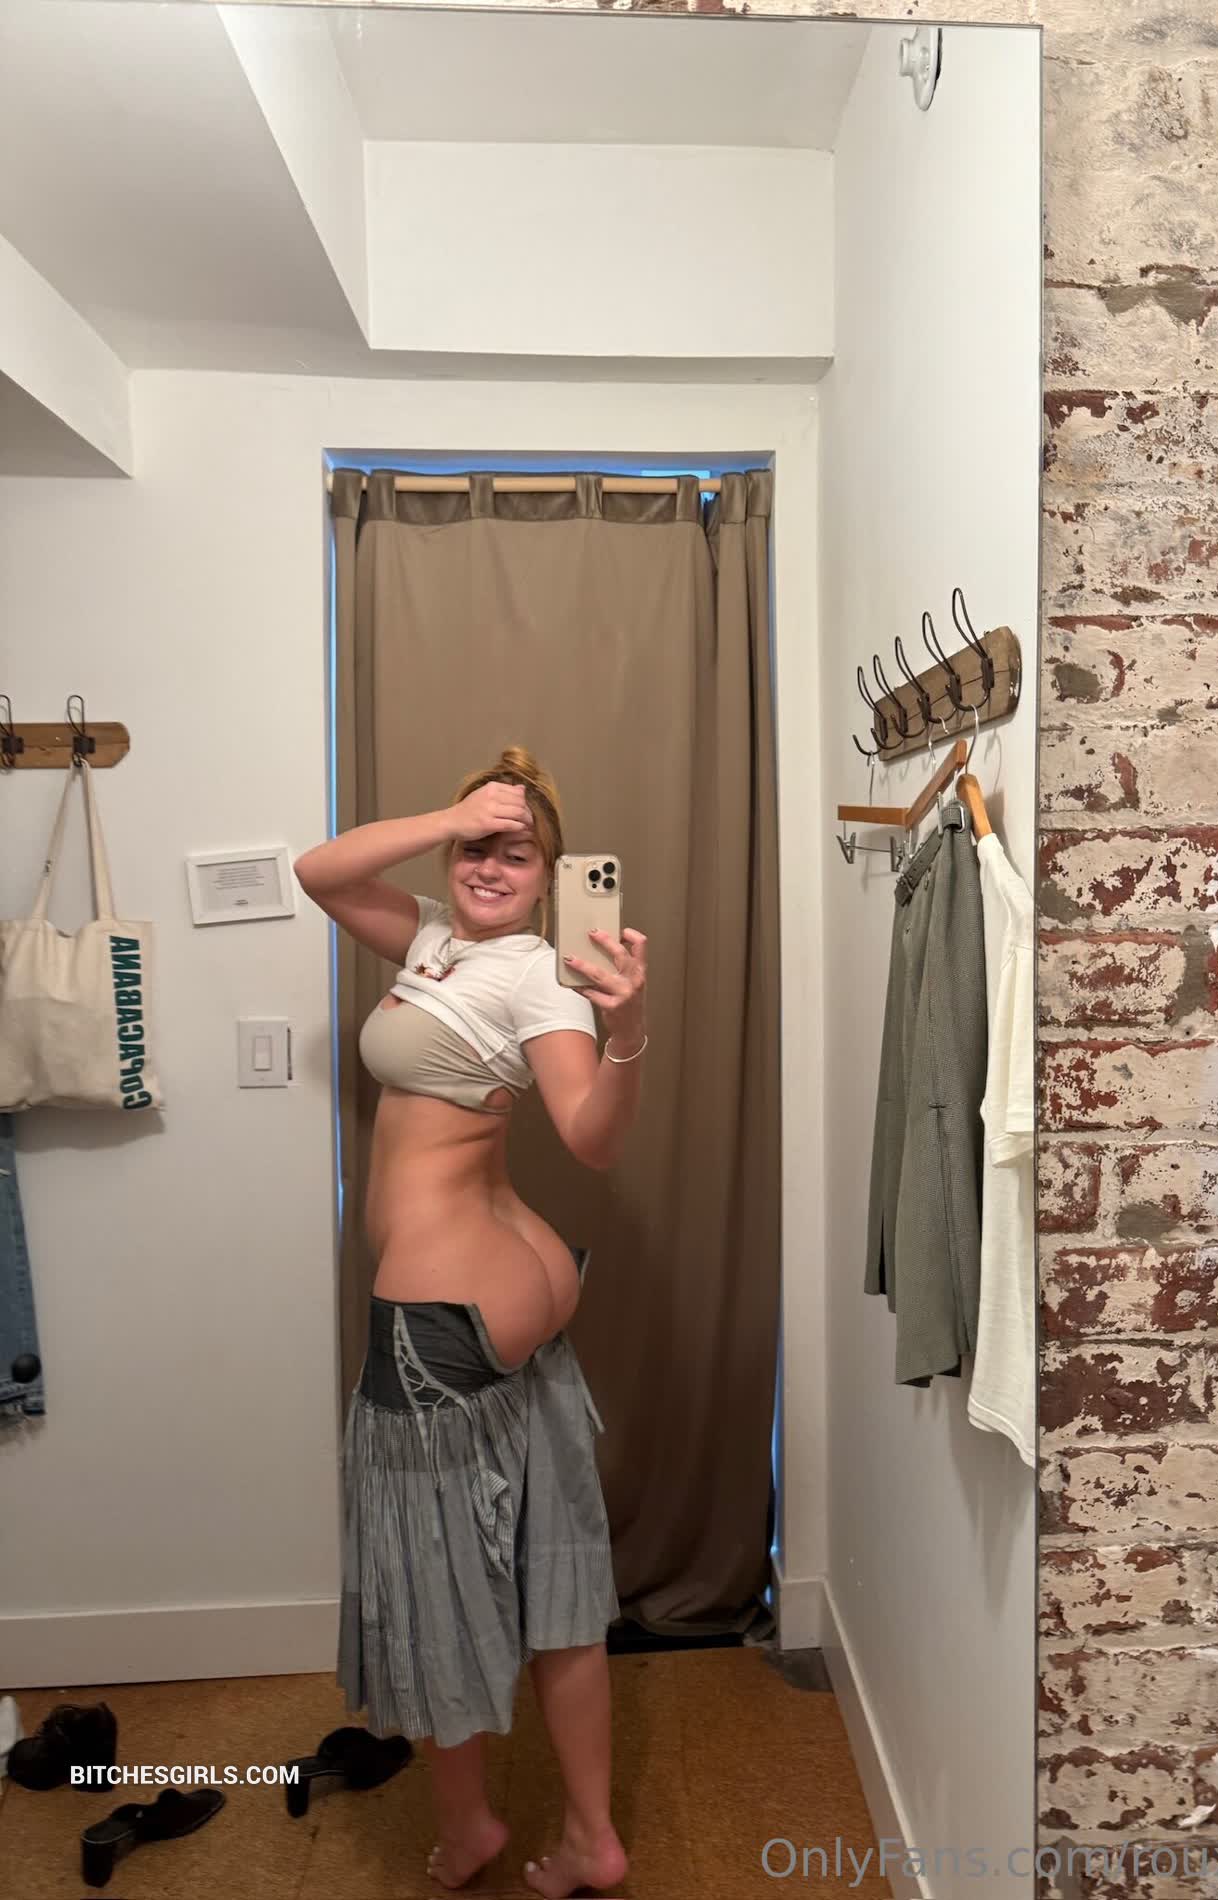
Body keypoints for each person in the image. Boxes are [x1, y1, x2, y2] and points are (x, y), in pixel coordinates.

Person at [294, 745, 647, 1899]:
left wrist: (627, 1033)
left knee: (430, 1585)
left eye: (518, 852)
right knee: (553, 1574)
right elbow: (320, 870)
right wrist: (450, 817)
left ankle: (469, 1830)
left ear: (551, 873)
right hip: (508, 1293)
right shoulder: (434, 937)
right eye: (475, 846)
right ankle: (591, 1835)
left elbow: (590, 1136)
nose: (491, 866)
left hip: (441, 1319)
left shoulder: (540, 976)